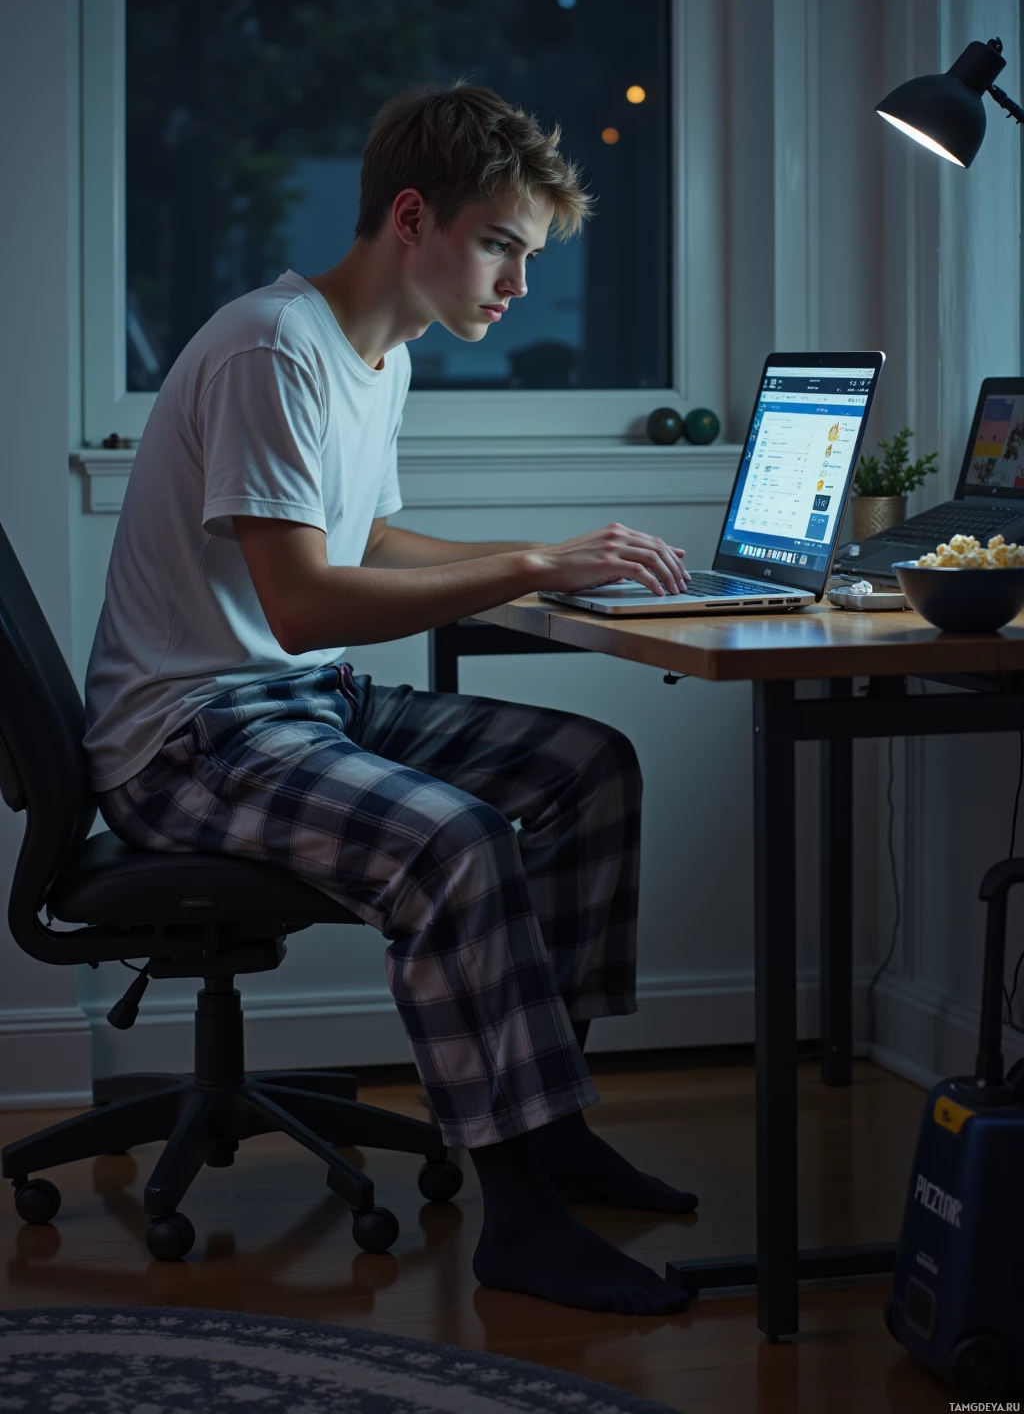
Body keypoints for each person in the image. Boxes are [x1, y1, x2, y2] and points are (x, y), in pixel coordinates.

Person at [83, 77, 696, 1315]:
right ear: (411, 217)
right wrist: (527, 568)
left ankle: (554, 1124)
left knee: (586, 770)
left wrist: (549, 550)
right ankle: (519, 1216)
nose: (515, 287)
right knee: (455, 845)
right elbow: (305, 599)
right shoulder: (274, 347)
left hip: (293, 705)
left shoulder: (381, 355)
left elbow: (361, 539)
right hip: (188, 738)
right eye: (498, 247)